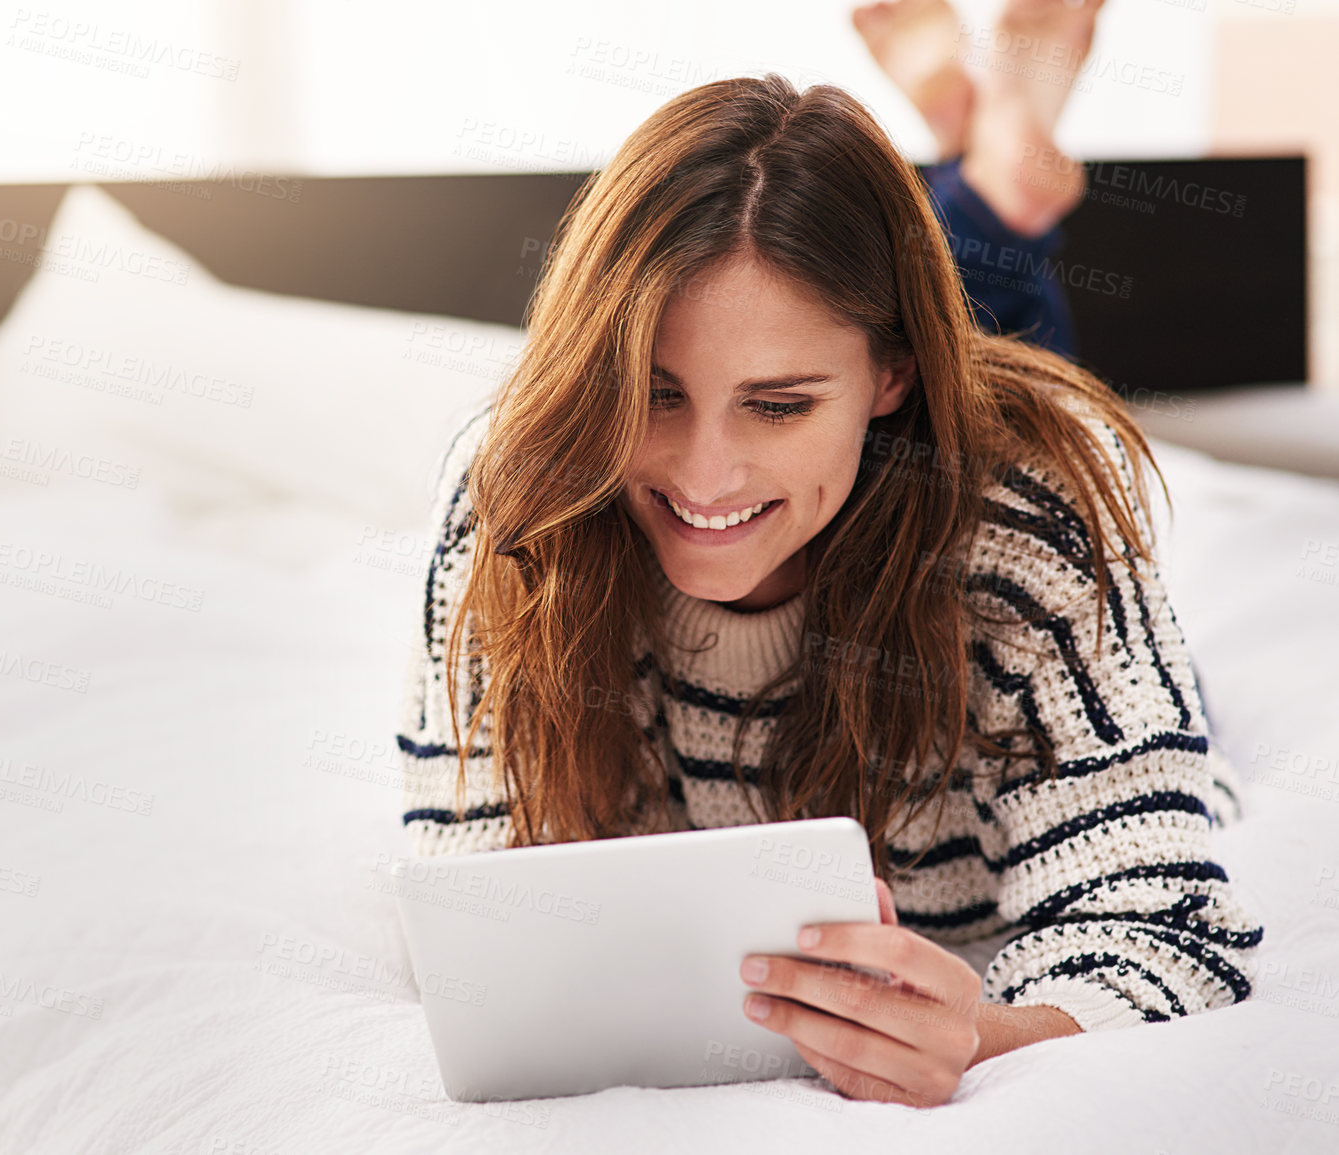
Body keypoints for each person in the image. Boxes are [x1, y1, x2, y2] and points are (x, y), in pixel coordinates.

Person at [392, 36, 1261, 1118]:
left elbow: (1170, 923)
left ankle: (989, 184)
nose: (705, 475)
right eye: (655, 394)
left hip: (1002, 548)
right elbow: (467, 892)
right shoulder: (515, 502)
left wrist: (985, 1035)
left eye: (779, 404)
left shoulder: (1030, 539)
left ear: (888, 376)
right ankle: (982, 165)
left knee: (1018, 391)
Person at [854, 0, 1098, 360]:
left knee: (931, 269)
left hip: (961, 391)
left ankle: (973, 154)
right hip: (1018, 399)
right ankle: (988, 153)